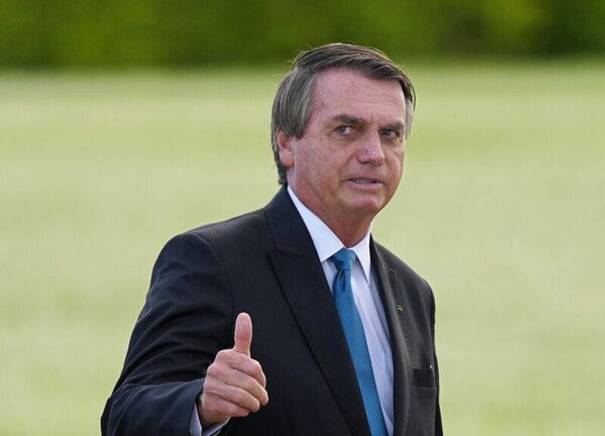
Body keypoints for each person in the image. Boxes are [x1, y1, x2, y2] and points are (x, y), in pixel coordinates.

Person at [101, 43, 442, 436]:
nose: (374, 154)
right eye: (346, 130)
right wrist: (201, 405)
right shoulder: (213, 262)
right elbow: (125, 416)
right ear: (286, 145)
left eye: (390, 134)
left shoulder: (413, 291)